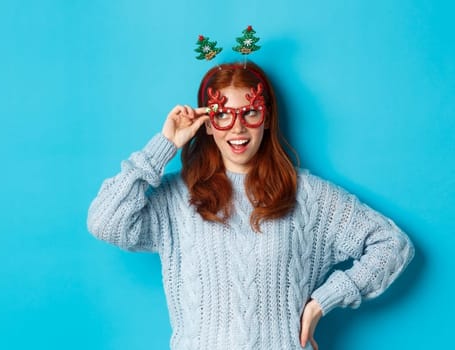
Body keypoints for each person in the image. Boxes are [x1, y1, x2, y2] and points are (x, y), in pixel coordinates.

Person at [86, 62, 415, 350]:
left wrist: (320, 303)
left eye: (250, 112)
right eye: (223, 115)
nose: (238, 128)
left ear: (267, 117)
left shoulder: (310, 196)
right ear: (208, 123)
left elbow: (392, 245)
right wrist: (165, 145)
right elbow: (105, 221)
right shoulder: (177, 198)